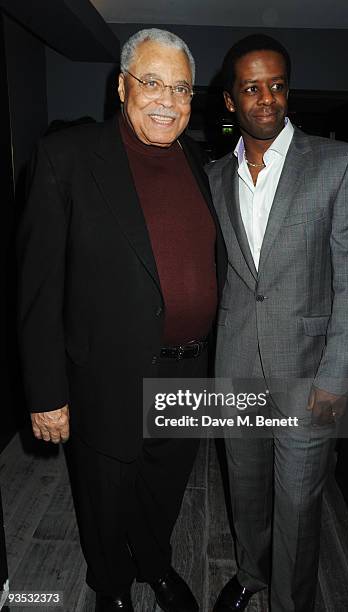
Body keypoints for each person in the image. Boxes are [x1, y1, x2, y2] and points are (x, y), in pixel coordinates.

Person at [17, 28, 226, 612]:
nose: (167, 100)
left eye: (181, 88)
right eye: (151, 82)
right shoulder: (68, 157)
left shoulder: (196, 160)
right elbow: (37, 288)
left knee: (164, 490)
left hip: (191, 370)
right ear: (121, 87)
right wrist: (45, 392)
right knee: (105, 497)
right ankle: (110, 586)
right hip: (106, 375)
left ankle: (155, 566)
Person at [206, 34, 348, 612]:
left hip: (309, 377)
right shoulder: (210, 179)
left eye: (276, 85)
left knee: (300, 507)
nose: (266, 98)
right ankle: (253, 575)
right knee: (246, 494)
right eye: (251, 87)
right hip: (235, 369)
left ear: (288, 91)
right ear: (229, 100)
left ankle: (289, 601)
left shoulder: (340, 164)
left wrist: (337, 382)